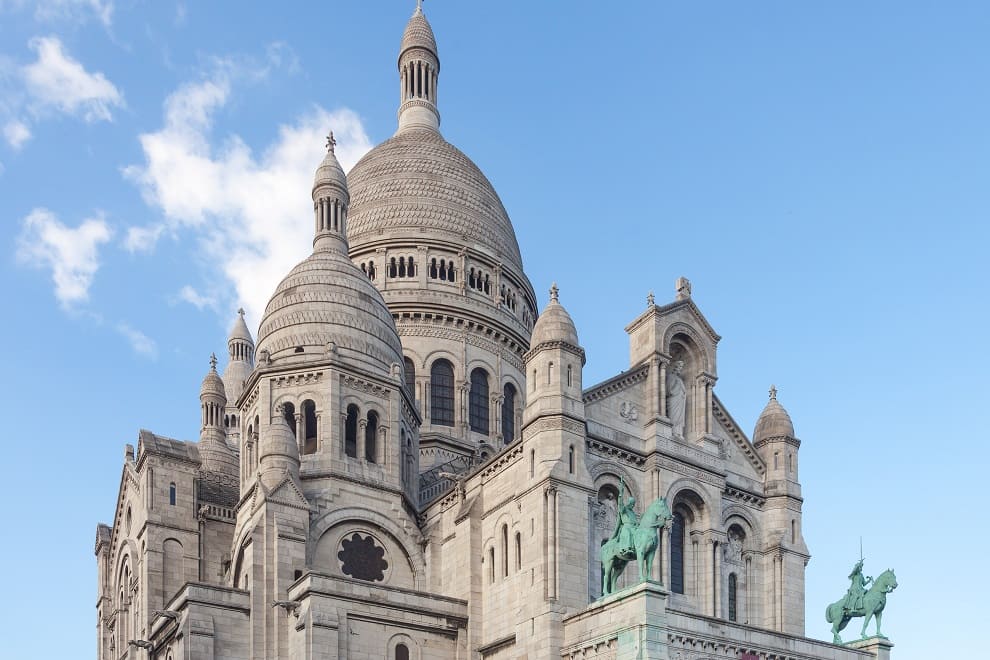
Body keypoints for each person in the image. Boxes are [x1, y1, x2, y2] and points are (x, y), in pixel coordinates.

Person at [666, 360, 687, 438]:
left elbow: (684, 391)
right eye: (680, 367)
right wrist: (676, 392)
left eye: (681, 367)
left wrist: (682, 394)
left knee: (680, 418)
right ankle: (674, 432)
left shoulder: (680, 379)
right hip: (673, 399)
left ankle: (679, 433)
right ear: (675, 367)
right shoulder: (671, 376)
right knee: (674, 416)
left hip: (680, 400)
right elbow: (669, 389)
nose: (681, 369)